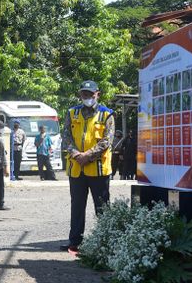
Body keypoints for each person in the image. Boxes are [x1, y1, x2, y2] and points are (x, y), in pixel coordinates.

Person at [60, 80, 114, 253]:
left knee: (102, 207)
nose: (87, 97)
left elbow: (107, 140)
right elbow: (66, 136)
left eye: (90, 94)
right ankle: (74, 241)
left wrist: (88, 155)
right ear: (79, 94)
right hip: (76, 168)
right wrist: (77, 155)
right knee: (77, 206)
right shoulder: (71, 112)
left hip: (98, 169)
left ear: (97, 94)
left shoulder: (107, 114)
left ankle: (106, 243)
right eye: (84, 94)